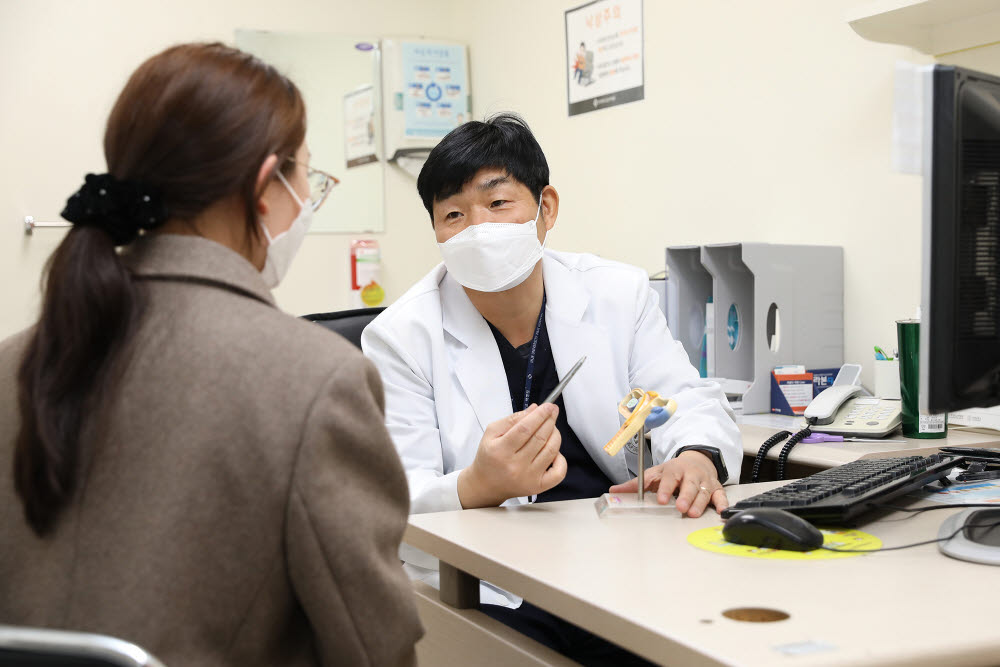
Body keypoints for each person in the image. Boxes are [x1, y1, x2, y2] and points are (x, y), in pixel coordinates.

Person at [0, 43, 422, 666]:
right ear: (265, 185)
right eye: (308, 174)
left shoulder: (14, 362)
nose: (308, 195)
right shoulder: (316, 379)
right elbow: (373, 648)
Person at [361, 113, 741, 665]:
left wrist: (696, 455)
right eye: (453, 214)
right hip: (496, 579)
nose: (477, 228)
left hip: (624, 554)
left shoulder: (617, 293)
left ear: (546, 209)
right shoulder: (401, 337)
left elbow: (684, 397)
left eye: (498, 204)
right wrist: (475, 484)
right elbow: (388, 500)